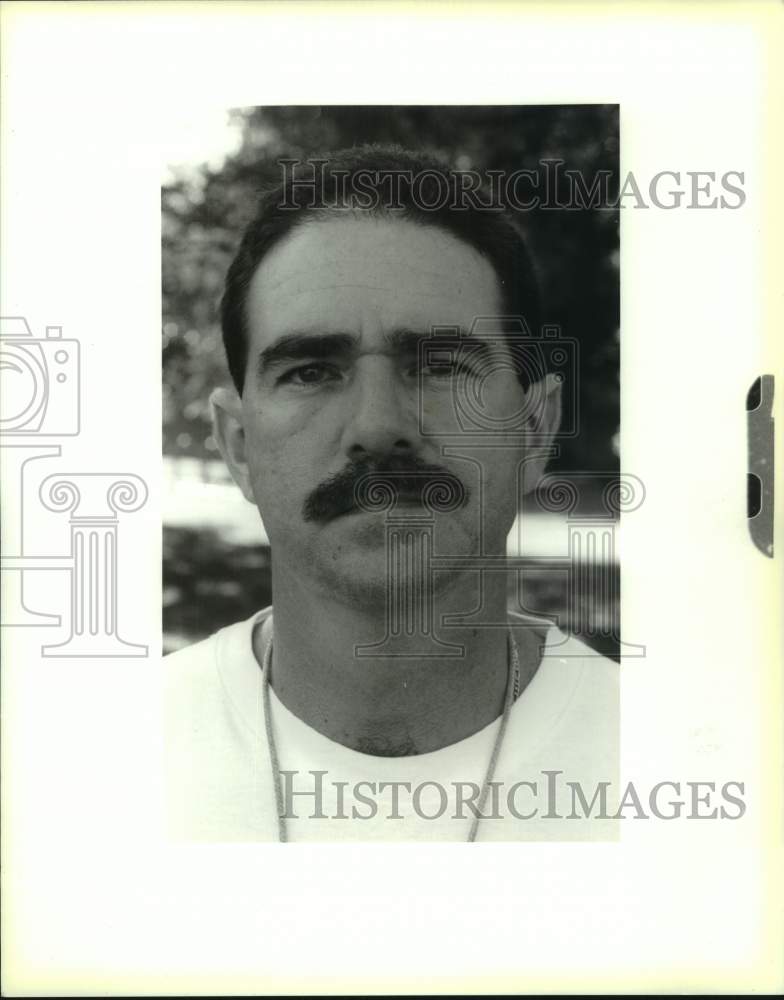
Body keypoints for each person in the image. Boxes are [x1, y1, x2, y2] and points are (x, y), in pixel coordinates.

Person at [166, 145, 619, 842]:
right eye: (312, 371)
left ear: (535, 427)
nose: (379, 427)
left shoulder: (678, 762)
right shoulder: (94, 770)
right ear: (238, 446)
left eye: (440, 364)